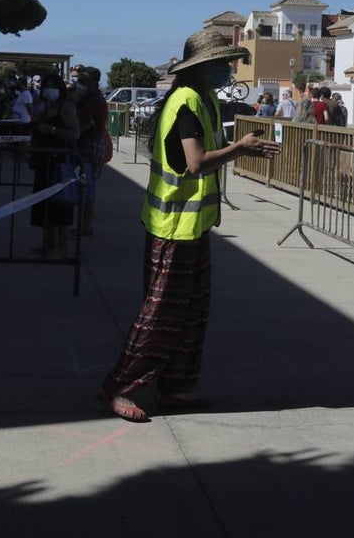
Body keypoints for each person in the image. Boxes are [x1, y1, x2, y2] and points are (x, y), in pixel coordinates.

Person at [98, 31, 280, 422]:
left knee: (191, 314)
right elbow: (195, 162)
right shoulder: (185, 102)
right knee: (160, 314)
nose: (229, 69)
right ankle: (119, 386)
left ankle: (176, 388)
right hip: (173, 228)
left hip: (193, 226)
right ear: (202, 67)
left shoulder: (204, 99)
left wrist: (238, 149)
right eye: (223, 63)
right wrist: (240, 149)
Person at [29, 73, 80, 258]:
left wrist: (51, 129)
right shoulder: (47, 106)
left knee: (60, 206)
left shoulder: (66, 106)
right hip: (45, 162)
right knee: (45, 206)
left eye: (53, 86)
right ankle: (48, 243)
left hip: (59, 162)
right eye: (47, 86)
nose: (49, 89)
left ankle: (62, 246)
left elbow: (74, 134)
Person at [74, 66, 109, 236]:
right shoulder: (88, 99)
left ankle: (86, 227)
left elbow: (82, 122)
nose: (79, 85)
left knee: (87, 188)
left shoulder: (95, 101)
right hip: (86, 143)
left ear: (94, 83)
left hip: (91, 145)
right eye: (78, 81)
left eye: (83, 82)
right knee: (83, 187)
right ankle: (83, 225)